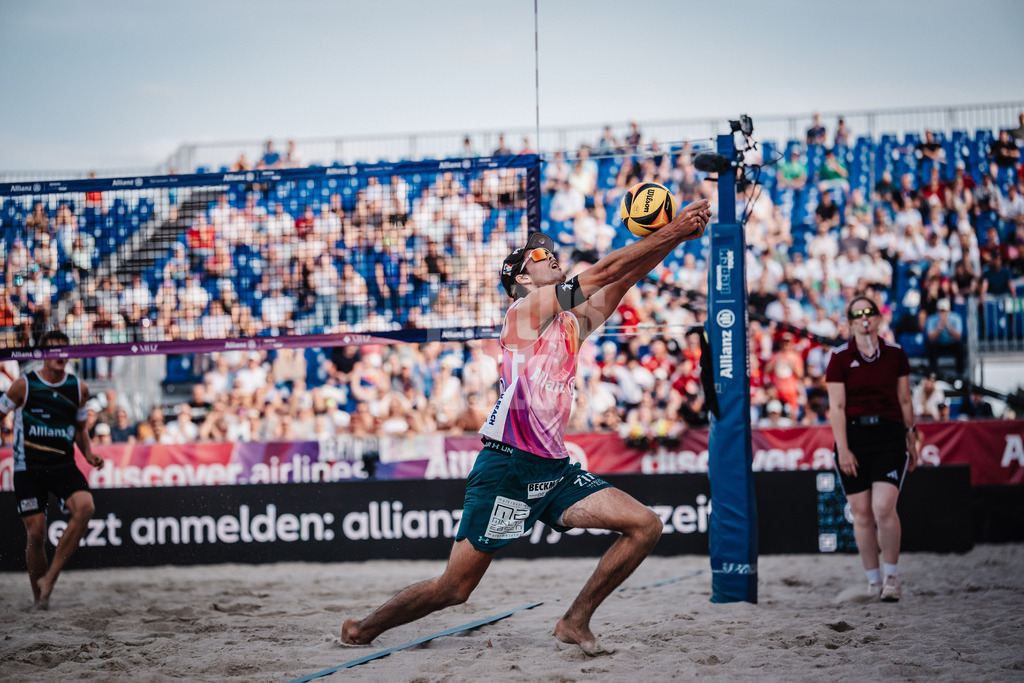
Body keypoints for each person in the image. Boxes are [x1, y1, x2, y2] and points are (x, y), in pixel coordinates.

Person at [341, 199, 712, 654]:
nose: (550, 255)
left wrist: (676, 239)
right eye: (539, 255)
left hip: (555, 470)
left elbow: (623, 278)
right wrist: (673, 230)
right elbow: (603, 270)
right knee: (455, 589)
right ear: (520, 278)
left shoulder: (570, 324)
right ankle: (362, 628)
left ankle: (575, 621)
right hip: (508, 467)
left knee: (645, 525)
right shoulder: (524, 314)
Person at [0, 330, 104, 608]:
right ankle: (39, 600)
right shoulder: (24, 385)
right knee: (36, 533)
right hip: (28, 466)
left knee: (87, 507)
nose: (59, 355)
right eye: (53, 350)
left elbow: (81, 429)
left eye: (63, 350)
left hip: (63, 463)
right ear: (43, 355)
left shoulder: (78, 388)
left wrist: (90, 453)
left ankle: (51, 578)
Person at [825, 297, 920, 603]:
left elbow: (905, 400)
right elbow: (836, 408)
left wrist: (911, 434)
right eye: (857, 314)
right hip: (854, 436)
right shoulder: (840, 357)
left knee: (883, 506)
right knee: (862, 513)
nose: (864, 318)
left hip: (889, 434)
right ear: (850, 322)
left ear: (879, 319)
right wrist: (843, 449)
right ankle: (873, 581)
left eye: (869, 313)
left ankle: (891, 577)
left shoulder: (895, 354)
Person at [924, 298, 965, 376]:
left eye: (944, 311)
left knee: (960, 346)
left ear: (949, 310)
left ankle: (960, 373)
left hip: (951, 343)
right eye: (941, 311)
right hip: (938, 344)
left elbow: (958, 337)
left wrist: (948, 326)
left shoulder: (956, 318)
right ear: (937, 310)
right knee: (931, 346)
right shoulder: (932, 319)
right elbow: (930, 338)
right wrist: (939, 326)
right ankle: (933, 373)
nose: (942, 313)